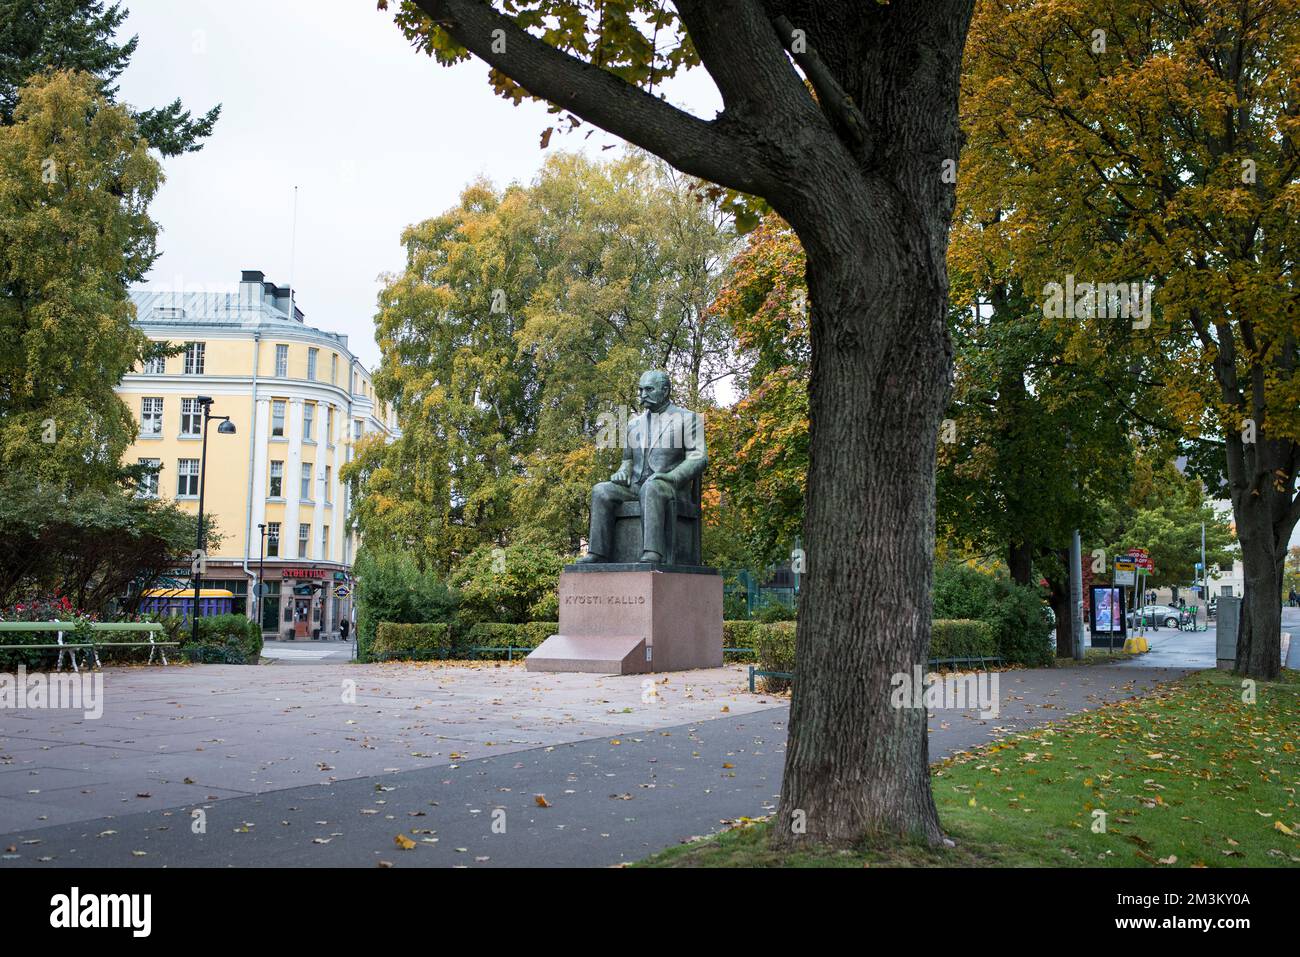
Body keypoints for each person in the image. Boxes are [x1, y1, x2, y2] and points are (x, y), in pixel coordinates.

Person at [577, 369, 707, 565]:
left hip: (669, 486)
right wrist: (622, 472)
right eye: (640, 390)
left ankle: (653, 553)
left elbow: (698, 458)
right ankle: (599, 553)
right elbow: (627, 460)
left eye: (648, 389)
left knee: (651, 487)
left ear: (665, 391)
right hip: (636, 486)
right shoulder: (633, 424)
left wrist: (671, 477)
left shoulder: (688, 419)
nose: (642, 395)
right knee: (601, 490)